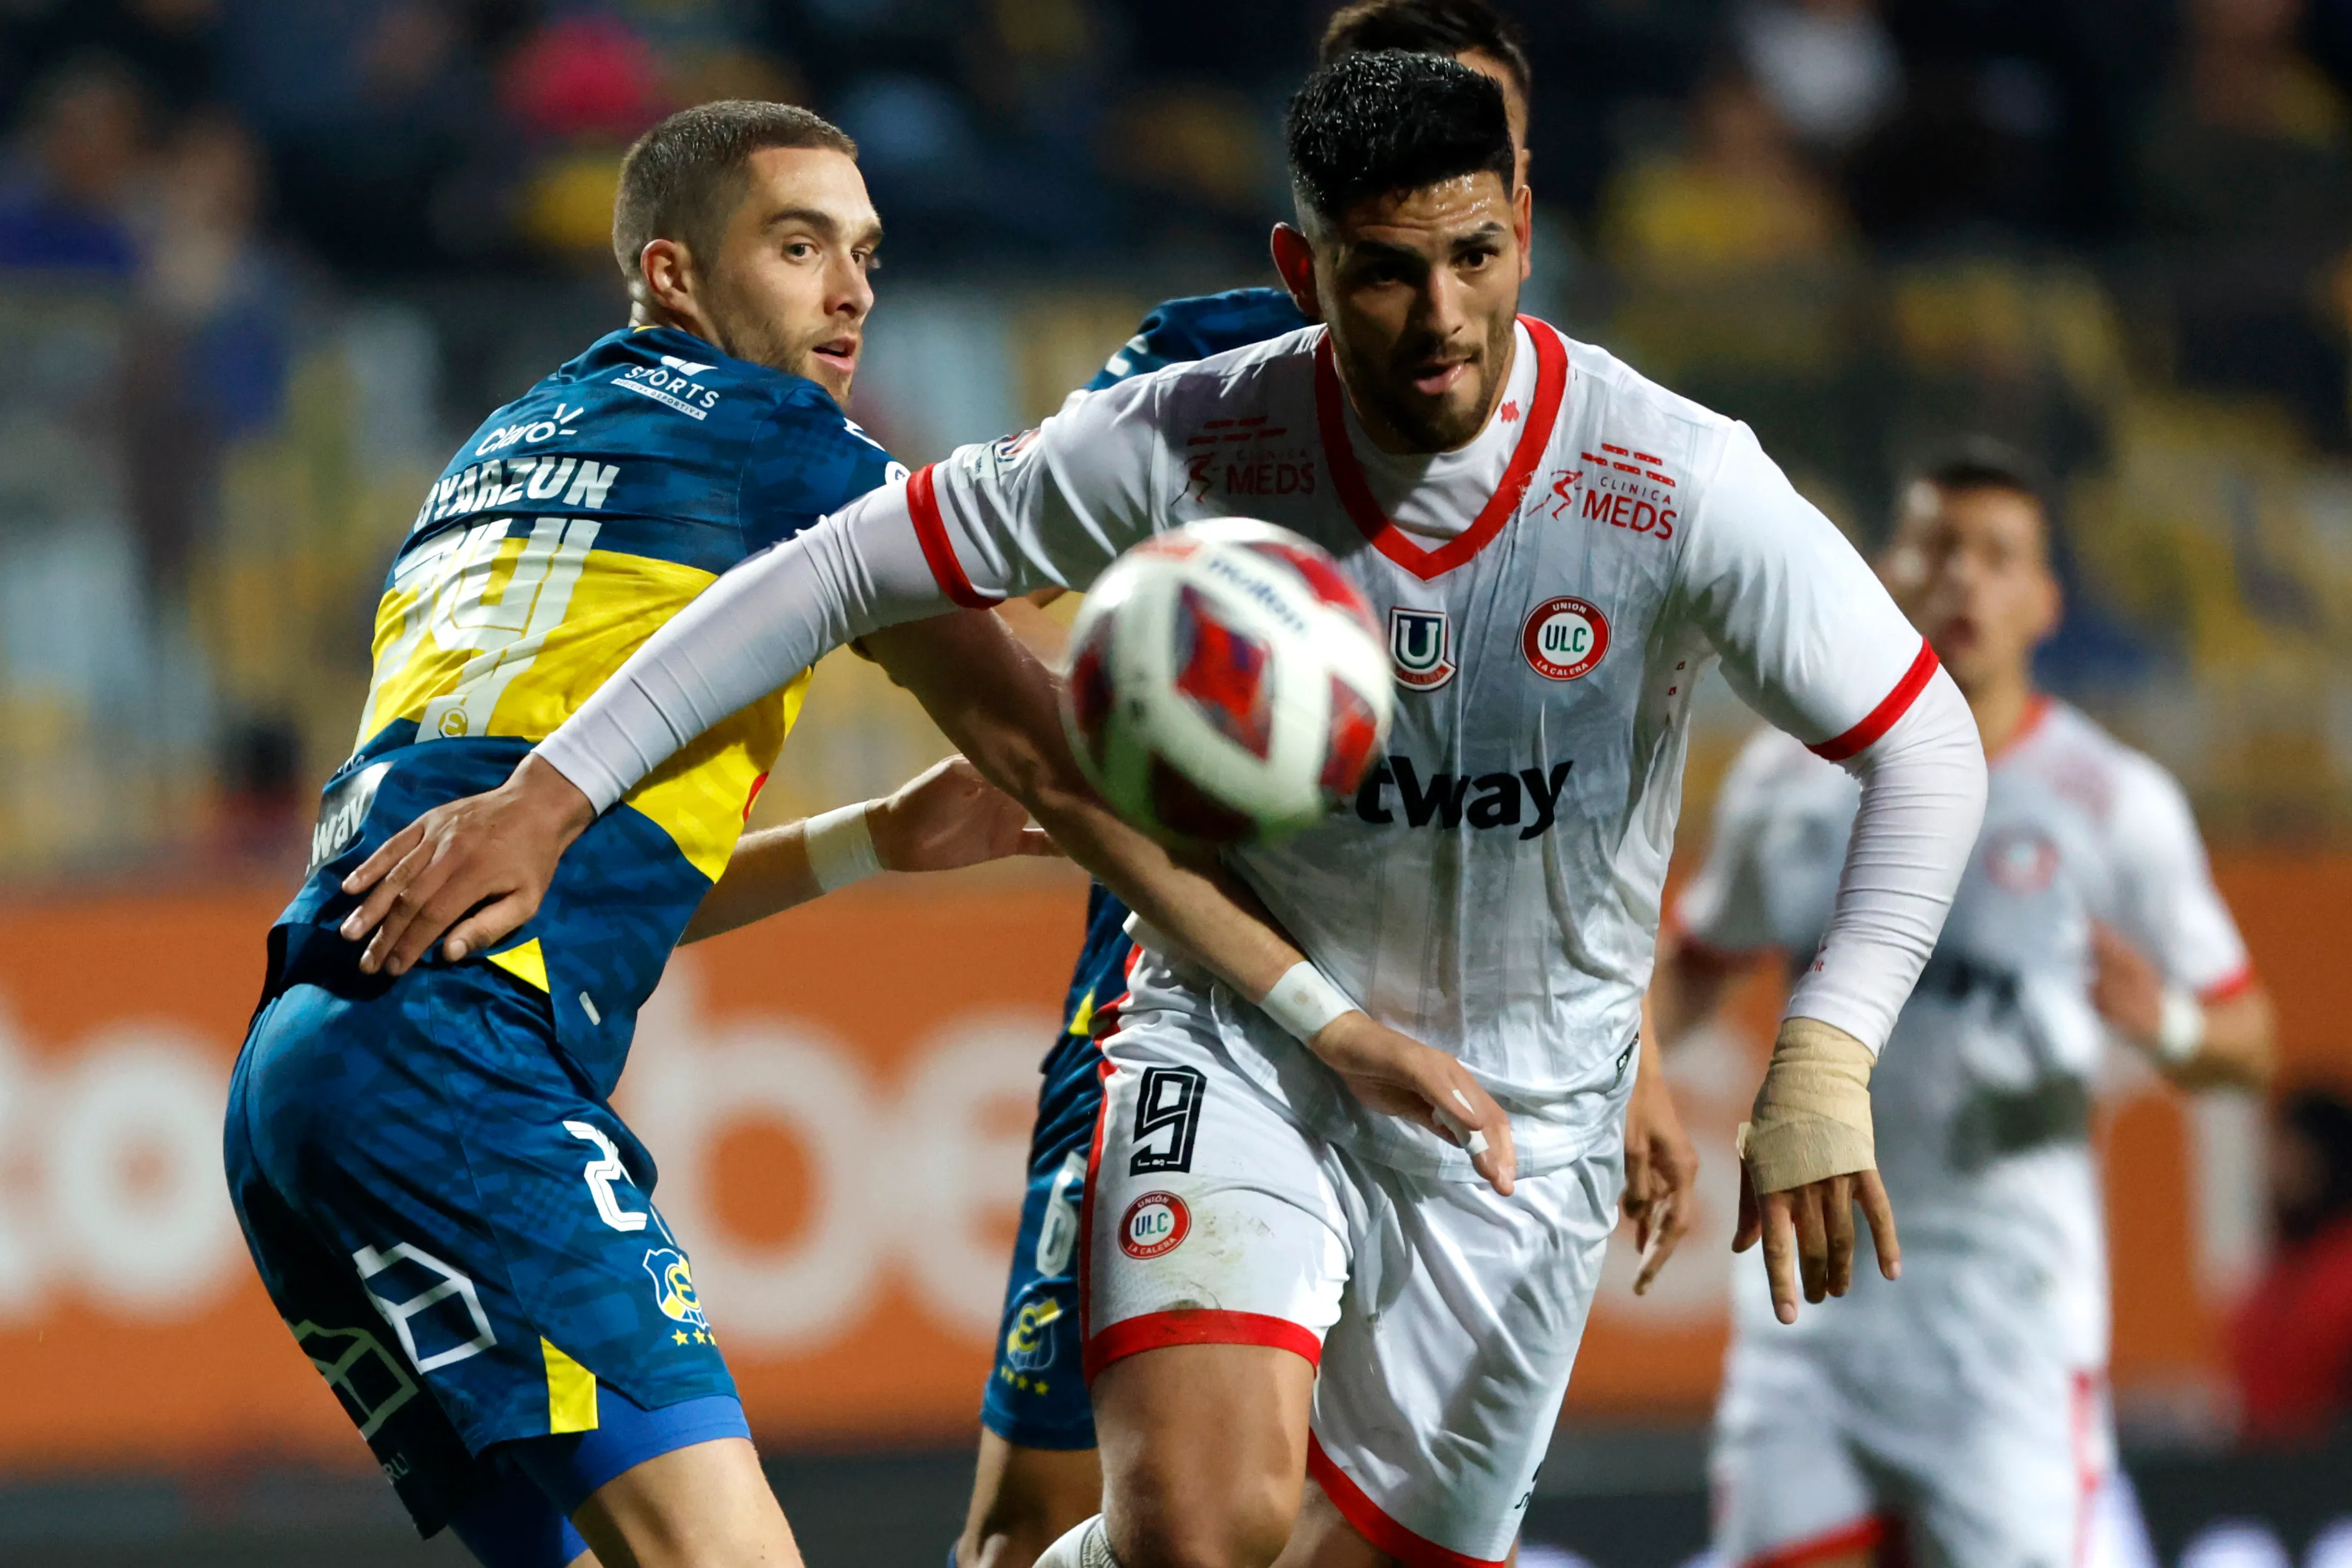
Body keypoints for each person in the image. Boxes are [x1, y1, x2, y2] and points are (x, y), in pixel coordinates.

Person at [340, 54, 1990, 1568]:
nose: (1437, 316)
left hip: (1518, 1109)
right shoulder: (1195, 434)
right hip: (1240, 1031)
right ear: (1299, 271)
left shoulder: (1672, 481)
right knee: (1204, 1521)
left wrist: (1820, 1054)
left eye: (1472, 257)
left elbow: (1924, 749)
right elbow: (834, 565)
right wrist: (547, 799)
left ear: (1525, 232)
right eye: (1383, 269)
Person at [235, 93, 1512, 1568]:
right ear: (673, 277)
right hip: (457, 1074)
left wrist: (875, 838)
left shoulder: (501, 454)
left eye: (865, 250)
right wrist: (1330, 1016)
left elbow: (522, 883)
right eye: (796, 246)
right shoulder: (785, 445)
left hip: (296, 1081)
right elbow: (1051, 757)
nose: (849, 290)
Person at [959, 9, 1696, 1568]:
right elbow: (1019, 599)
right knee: (1083, 1502)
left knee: (1328, 1521)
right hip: (1210, 987)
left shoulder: (1591, 436)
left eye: (1477, 158)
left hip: (1475, 1047)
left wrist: (1625, 1053)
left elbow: (1595, 767)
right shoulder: (1202, 377)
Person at [1656, 449, 2276, 1568]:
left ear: (2045, 601)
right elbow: (1699, 958)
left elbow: (2251, 1041)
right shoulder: (1786, 783)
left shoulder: (2111, 801)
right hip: (1813, 1311)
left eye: (1998, 558)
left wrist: (2170, 1026)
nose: (1964, 582)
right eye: (1937, 548)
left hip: (2008, 1321)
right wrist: (1631, 1077)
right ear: (1888, 571)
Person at [2233, 1087, 2352, 1448]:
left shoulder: (2341, 1269)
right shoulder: (2277, 1273)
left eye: (2292, 1149)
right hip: (2271, 1479)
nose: (2275, 1167)